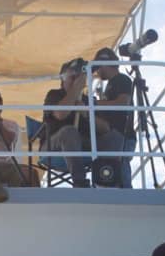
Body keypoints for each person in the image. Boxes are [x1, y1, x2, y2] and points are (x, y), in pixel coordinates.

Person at [43, 58, 125, 187]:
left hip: (83, 143)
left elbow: (105, 128)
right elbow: (60, 114)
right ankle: (80, 182)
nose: (76, 80)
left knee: (115, 137)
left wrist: (87, 113)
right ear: (62, 79)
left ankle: (106, 180)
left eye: (79, 78)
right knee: (69, 132)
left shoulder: (88, 100)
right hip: (54, 145)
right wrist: (76, 89)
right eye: (72, 77)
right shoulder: (54, 95)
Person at [92, 47, 136, 188]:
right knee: (113, 173)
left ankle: (127, 201)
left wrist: (94, 103)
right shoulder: (111, 84)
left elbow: (123, 102)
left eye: (97, 67)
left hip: (123, 136)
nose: (97, 72)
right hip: (114, 135)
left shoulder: (122, 79)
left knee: (121, 174)